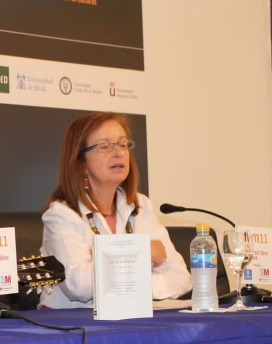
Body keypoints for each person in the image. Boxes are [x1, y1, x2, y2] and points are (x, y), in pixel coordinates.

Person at [39, 112, 192, 309]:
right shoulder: (60, 215)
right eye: (104, 146)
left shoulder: (141, 205)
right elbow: (80, 286)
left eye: (122, 144)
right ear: (81, 162)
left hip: (132, 320)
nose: (119, 153)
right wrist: (143, 251)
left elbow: (180, 278)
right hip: (77, 329)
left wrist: (108, 265)